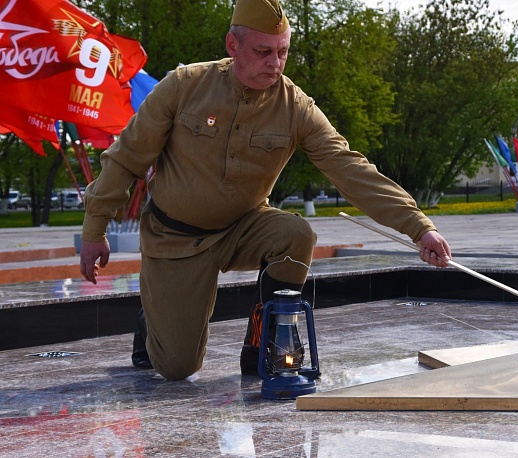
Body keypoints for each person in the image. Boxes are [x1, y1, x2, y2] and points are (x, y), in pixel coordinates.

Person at [79, 0, 452, 381]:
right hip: (176, 236)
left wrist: (419, 227)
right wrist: (95, 230)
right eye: (263, 52)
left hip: (244, 229)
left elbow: (350, 168)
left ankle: (263, 346)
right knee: (177, 367)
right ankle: (154, 317)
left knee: (296, 234)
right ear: (232, 45)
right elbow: (126, 158)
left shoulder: (296, 107)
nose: (275, 63)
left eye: (283, 52)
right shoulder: (184, 86)